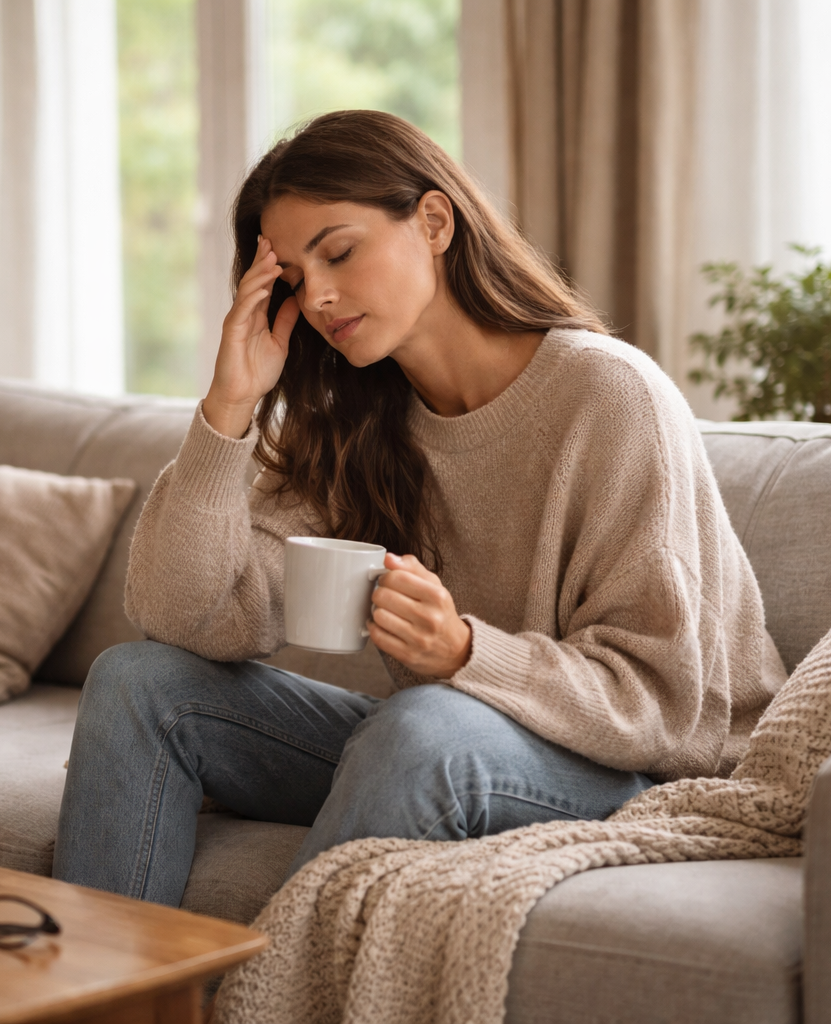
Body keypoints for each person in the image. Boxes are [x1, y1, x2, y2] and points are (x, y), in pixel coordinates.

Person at [52, 110, 786, 908]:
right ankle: (104, 1000)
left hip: (639, 769)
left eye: (339, 251)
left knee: (422, 726)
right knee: (137, 681)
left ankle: (270, 996)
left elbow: (664, 704)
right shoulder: (354, 422)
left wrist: (468, 652)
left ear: (434, 221)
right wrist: (230, 405)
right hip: (443, 744)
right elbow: (184, 617)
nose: (321, 297)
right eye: (295, 279)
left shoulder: (609, 396)